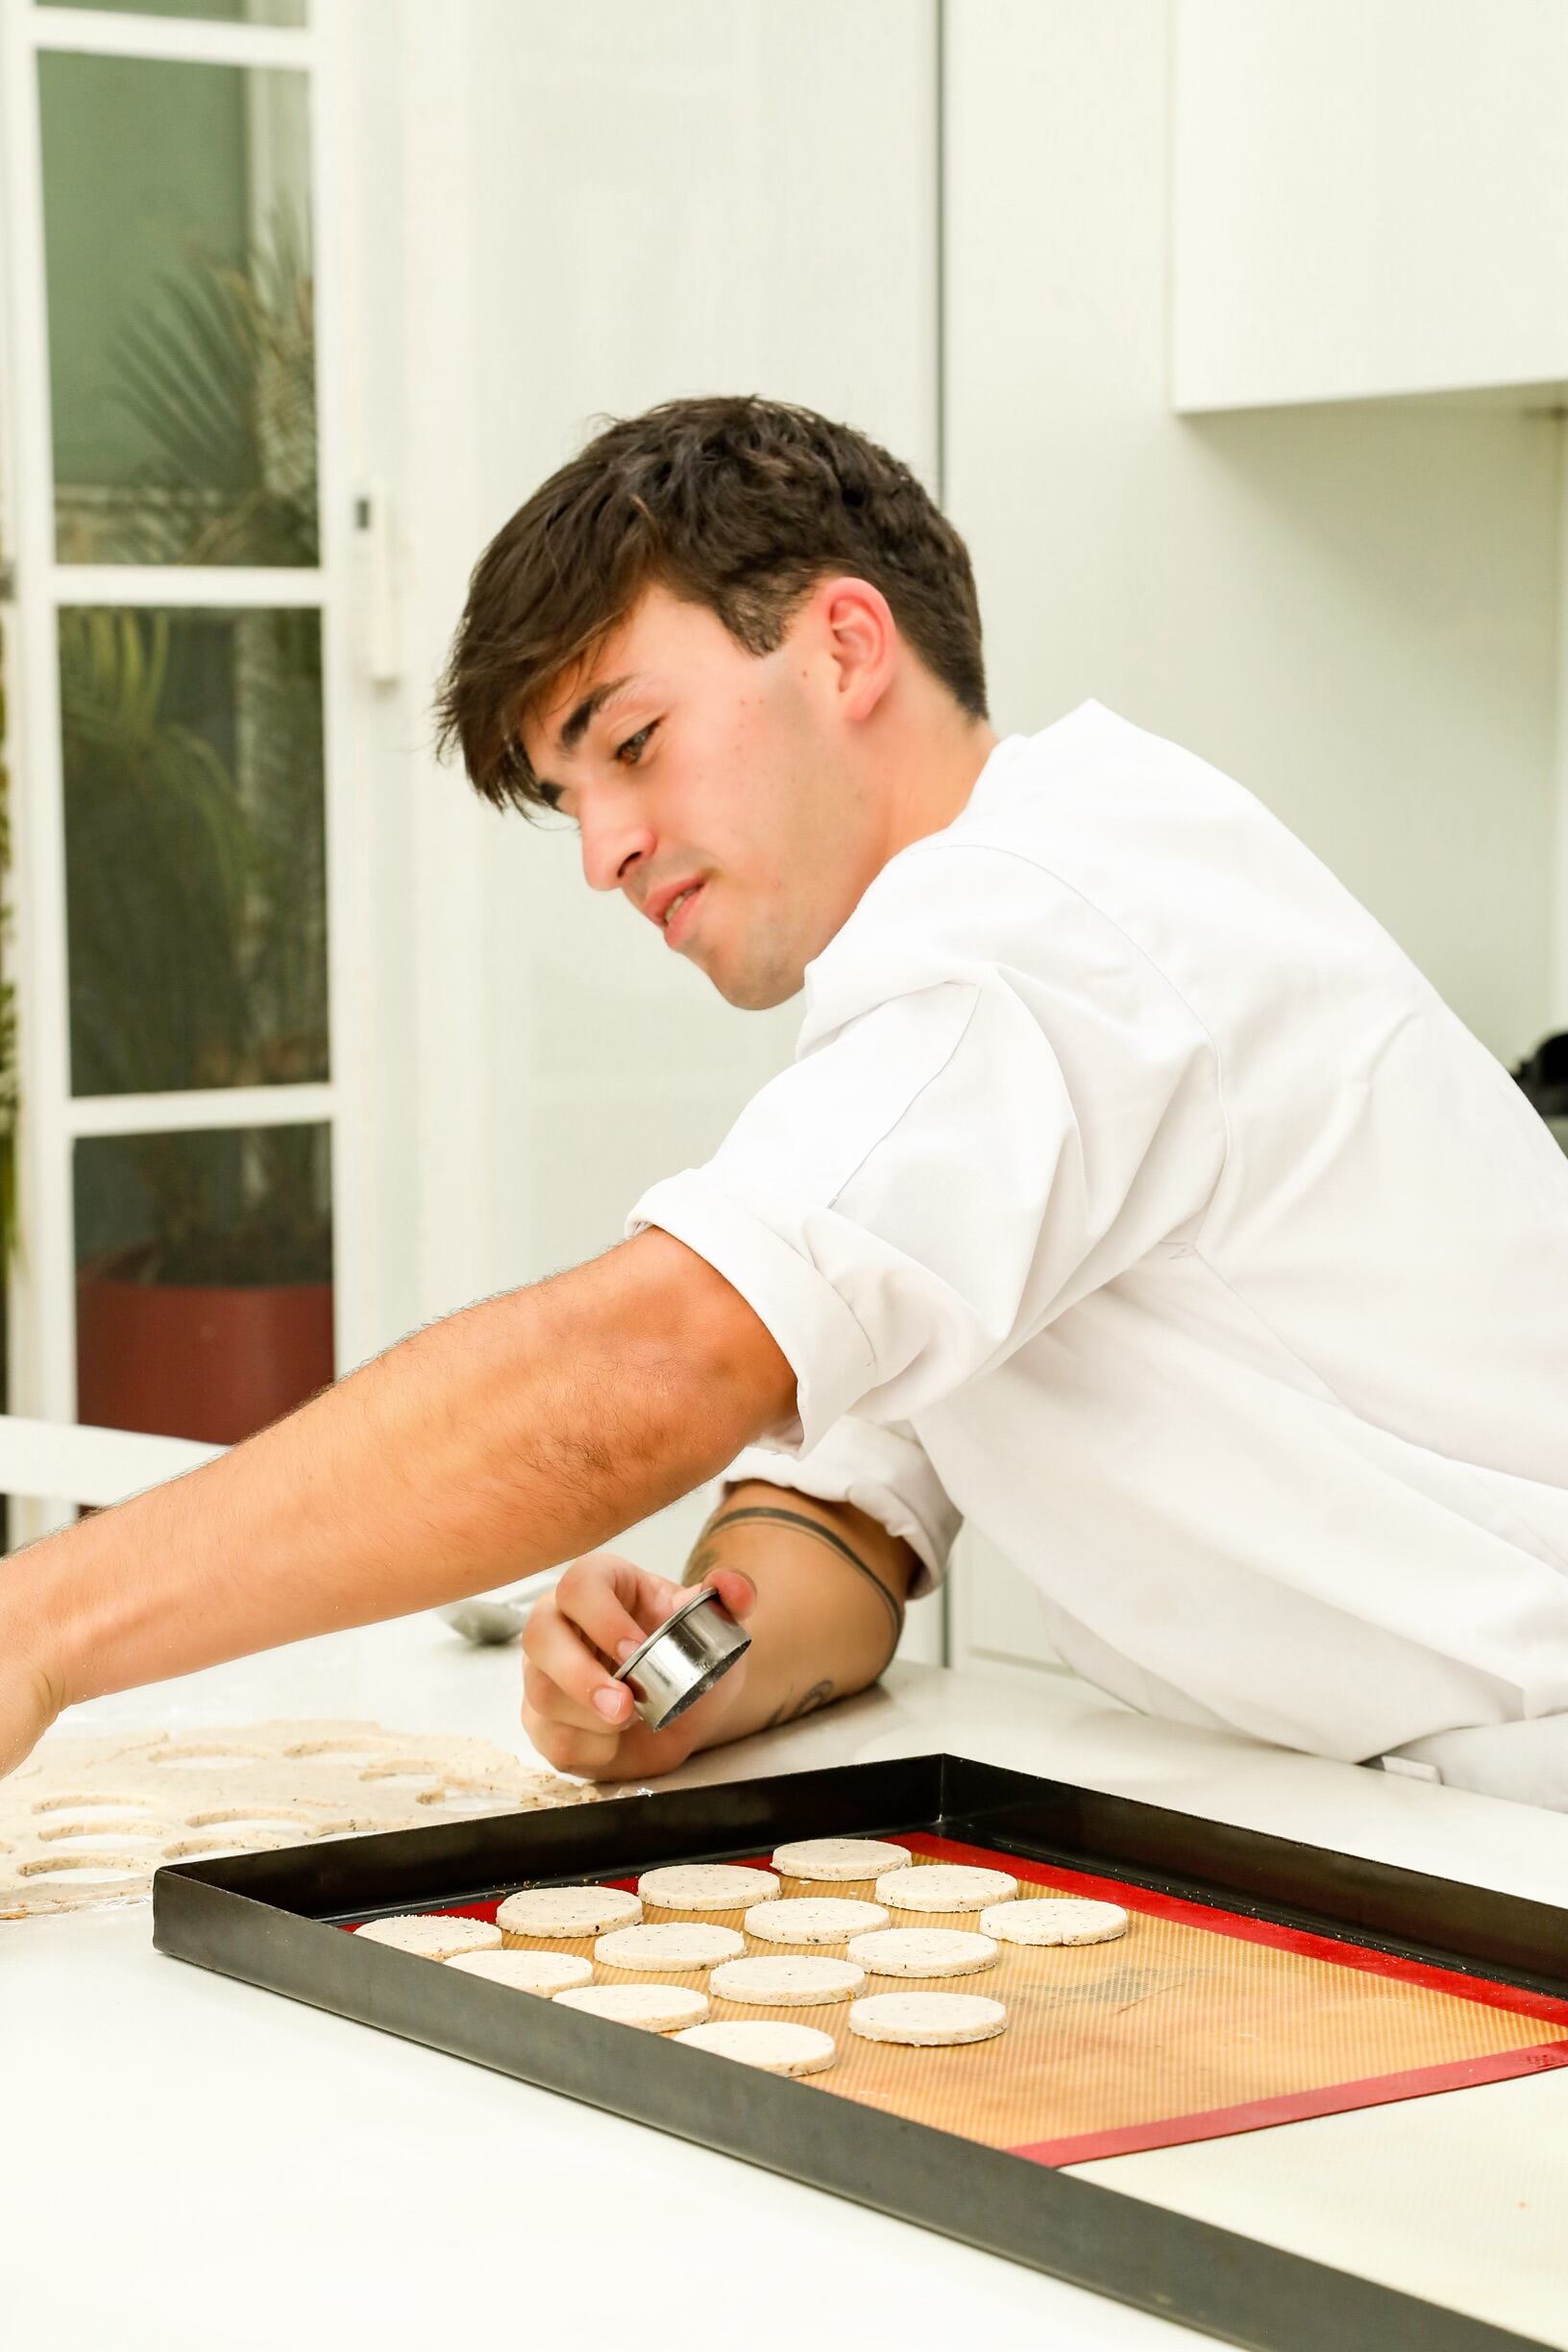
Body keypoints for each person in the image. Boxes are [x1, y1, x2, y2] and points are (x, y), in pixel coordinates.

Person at [5, 395, 1567, 1807]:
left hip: (1520, 1799)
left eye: (634, 742)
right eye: (570, 801)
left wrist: (42, 1628)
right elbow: (848, 1523)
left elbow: (657, 1368)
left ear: (844, 646)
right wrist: (683, 1673)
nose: (603, 851)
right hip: (1373, 1804)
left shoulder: (1042, 931)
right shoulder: (943, 988)